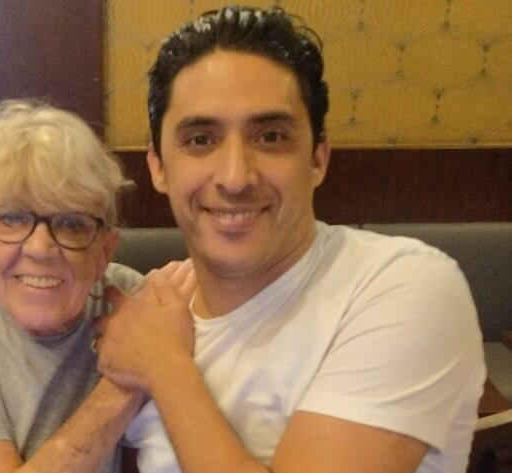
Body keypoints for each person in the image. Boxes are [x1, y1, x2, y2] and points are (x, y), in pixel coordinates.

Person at [95, 6, 486, 473]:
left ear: (318, 158)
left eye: (270, 137)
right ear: (158, 167)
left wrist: (165, 366)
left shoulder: (403, 286)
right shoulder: (156, 307)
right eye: (201, 140)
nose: (235, 177)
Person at [0, 100, 153, 473]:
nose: (39, 248)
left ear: (104, 251)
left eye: (72, 223)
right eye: (13, 218)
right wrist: (126, 381)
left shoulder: (133, 302)